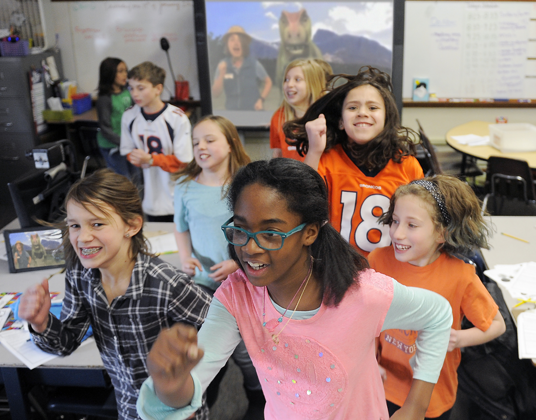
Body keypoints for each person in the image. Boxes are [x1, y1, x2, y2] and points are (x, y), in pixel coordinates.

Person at [137, 159, 453, 420]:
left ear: (310, 233)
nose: (250, 248)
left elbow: (439, 315)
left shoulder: (364, 294)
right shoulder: (237, 296)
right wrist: (168, 383)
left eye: (271, 234)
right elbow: (190, 387)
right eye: (240, 229)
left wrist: (415, 406)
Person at [17, 169, 212, 420]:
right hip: (129, 409)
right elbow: (66, 343)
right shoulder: (80, 276)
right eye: (75, 225)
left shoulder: (166, 283)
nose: (83, 237)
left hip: (176, 411)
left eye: (97, 223)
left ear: (131, 226)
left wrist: (188, 380)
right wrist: (41, 323)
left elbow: (222, 330)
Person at [371, 175, 506, 419]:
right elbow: (364, 321)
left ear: (442, 234)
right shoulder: (377, 261)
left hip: (433, 396)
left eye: (412, 225)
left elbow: (497, 325)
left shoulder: (461, 276)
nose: (397, 233)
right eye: (395, 221)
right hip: (381, 384)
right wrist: (369, 360)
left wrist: (459, 338)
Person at [172, 115, 263, 415]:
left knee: (244, 350)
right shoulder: (185, 186)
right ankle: (200, 401)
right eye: (196, 142)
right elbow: (181, 227)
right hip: (201, 282)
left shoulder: (247, 185)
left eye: (209, 140)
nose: (201, 147)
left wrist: (236, 265)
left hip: (242, 278)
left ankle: (257, 397)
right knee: (207, 345)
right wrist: (185, 256)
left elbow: (256, 234)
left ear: (230, 143)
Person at [285, 66, 424, 256]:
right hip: (334, 268)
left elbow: (419, 224)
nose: (362, 113)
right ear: (341, 121)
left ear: (386, 119)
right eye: (352, 107)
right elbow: (299, 207)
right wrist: (314, 151)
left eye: (373, 107)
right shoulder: (325, 159)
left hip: (388, 273)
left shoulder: (407, 166)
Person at [120, 61, 193, 222]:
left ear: (158, 89)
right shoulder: (129, 116)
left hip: (177, 196)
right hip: (150, 198)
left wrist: (151, 159)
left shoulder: (177, 118)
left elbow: (183, 162)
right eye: (131, 88)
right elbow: (127, 151)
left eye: (141, 88)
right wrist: (136, 158)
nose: (135, 94)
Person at [270, 59, 330, 160]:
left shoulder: (330, 115)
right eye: (286, 79)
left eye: (297, 79)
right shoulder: (279, 116)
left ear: (313, 84)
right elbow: (278, 154)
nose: (289, 85)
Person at [211, 26, 273, 111]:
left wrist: (261, 100)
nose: (236, 43)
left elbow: (268, 82)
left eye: (240, 40)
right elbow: (215, 94)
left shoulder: (253, 63)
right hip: (232, 114)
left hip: (253, 112)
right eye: (232, 40)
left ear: (244, 45)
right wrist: (222, 74)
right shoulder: (222, 65)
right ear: (228, 45)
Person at [96, 57, 134, 178]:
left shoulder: (129, 91)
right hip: (113, 146)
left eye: (126, 71)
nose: (125, 75)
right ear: (110, 73)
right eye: (121, 71)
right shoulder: (104, 99)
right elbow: (106, 129)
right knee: (123, 180)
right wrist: (125, 142)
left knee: (136, 177)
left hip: (129, 144)